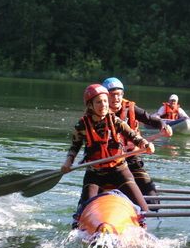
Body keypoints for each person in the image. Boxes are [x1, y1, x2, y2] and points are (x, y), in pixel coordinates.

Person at [62, 84, 155, 218]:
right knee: (81, 213)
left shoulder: (115, 121)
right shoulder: (81, 125)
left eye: (105, 101)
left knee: (143, 209)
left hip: (119, 170)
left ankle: (139, 223)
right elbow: (74, 147)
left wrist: (145, 144)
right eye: (99, 102)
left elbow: (134, 136)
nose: (104, 105)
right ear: (90, 105)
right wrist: (68, 162)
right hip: (95, 174)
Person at [102, 77, 172, 203]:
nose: (116, 98)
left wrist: (163, 125)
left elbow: (150, 119)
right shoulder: (97, 113)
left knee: (153, 199)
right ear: (105, 97)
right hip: (108, 162)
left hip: (131, 158)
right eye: (112, 95)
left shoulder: (130, 108)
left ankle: (146, 214)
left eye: (119, 94)